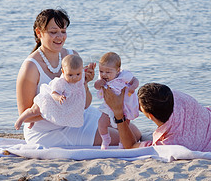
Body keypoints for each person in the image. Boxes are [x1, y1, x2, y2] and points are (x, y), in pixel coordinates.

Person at [16, 8, 141, 148]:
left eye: (63, 31)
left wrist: (85, 83)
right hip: (48, 131)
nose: (60, 37)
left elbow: (85, 104)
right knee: (122, 139)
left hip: (77, 117)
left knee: (135, 133)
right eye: (53, 32)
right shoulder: (30, 67)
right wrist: (63, 110)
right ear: (39, 33)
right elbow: (26, 115)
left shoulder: (71, 55)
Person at [102, 82, 211, 152]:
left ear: (150, 116)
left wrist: (119, 114)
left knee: (142, 138)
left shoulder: (168, 143)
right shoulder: (173, 95)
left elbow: (130, 146)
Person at [15, 54, 86, 130]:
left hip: (61, 106)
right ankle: (21, 119)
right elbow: (53, 93)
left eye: (78, 74)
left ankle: (32, 121)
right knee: (35, 111)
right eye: (70, 75)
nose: (74, 78)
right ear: (63, 71)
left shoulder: (80, 77)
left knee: (47, 115)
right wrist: (59, 97)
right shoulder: (61, 83)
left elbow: (85, 73)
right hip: (50, 101)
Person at [94, 52, 139, 149]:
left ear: (118, 70)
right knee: (101, 123)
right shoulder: (102, 79)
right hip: (108, 106)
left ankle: (122, 143)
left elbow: (135, 80)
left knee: (123, 127)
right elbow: (96, 87)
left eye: (108, 72)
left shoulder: (123, 76)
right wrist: (99, 83)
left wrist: (133, 87)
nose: (104, 74)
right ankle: (106, 139)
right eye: (101, 71)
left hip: (124, 106)